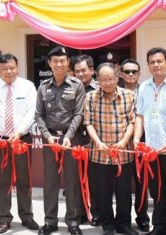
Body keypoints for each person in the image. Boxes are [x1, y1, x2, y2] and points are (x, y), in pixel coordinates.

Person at [134, 47, 166, 235]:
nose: (156, 65)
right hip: (152, 150)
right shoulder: (144, 87)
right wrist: (135, 139)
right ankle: (159, 226)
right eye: (152, 62)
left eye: (159, 61)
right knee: (156, 191)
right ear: (148, 65)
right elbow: (139, 115)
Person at [35, 46, 85, 235]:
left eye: (62, 61)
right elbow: (38, 115)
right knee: (50, 182)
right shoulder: (43, 87)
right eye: (55, 61)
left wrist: (68, 137)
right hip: (50, 141)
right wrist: (48, 136)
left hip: (70, 140)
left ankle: (72, 221)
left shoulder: (76, 85)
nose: (59, 64)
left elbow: (79, 113)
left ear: (67, 63)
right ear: (49, 63)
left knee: (72, 182)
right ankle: (50, 222)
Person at [0, 53, 39, 233]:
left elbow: (32, 113)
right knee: (2, 181)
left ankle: (27, 216)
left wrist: (19, 132)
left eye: (12, 67)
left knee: (24, 180)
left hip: (21, 140)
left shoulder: (28, 86)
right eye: (4, 69)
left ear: (17, 67)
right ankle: (4, 218)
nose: (9, 72)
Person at [84, 62, 138, 235]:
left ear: (118, 77)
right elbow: (88, 123)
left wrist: (124, 141)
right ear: (97, 79)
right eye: (103, 79)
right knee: (103, 193)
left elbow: (132, 122)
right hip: (100, 154)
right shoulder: (90, 97)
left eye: (111, 78)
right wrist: (98, 143)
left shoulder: (129, 96)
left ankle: (124, 224)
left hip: (123, 153)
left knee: (124, 192)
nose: (108, 82)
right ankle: (107, 225)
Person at [120, 59, 150, 232]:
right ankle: (123, 220)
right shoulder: (114, 91)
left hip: (141, 144)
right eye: (127, 71)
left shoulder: (146, 91)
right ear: (121, 74)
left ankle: (142, 218)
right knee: (122, 185)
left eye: (134, 71)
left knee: (141, 183)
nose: (131, 74)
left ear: (139, 73)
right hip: (121, 145)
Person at [73, 54, 100, 226]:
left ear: (91, 70)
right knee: (76, 180)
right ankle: (79, 213)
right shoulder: (71, 87)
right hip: (76, 138)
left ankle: (96, 213)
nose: (81, 74)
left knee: (96, 180)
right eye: (77, 71)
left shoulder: (100, 88)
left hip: (95, 139)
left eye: (84, 70)